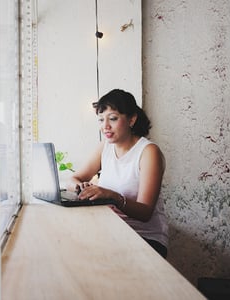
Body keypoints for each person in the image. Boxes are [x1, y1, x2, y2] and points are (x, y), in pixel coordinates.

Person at [67, 89, 168, 258]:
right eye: (101, 120)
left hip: (145, 237)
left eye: (112, 118)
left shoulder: (148, 152)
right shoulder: (105, 147)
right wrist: (80, 186)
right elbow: (73, 178)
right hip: (112, 230)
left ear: (132, 119)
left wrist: (112, 196)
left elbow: (145, 212)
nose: (105, 126)